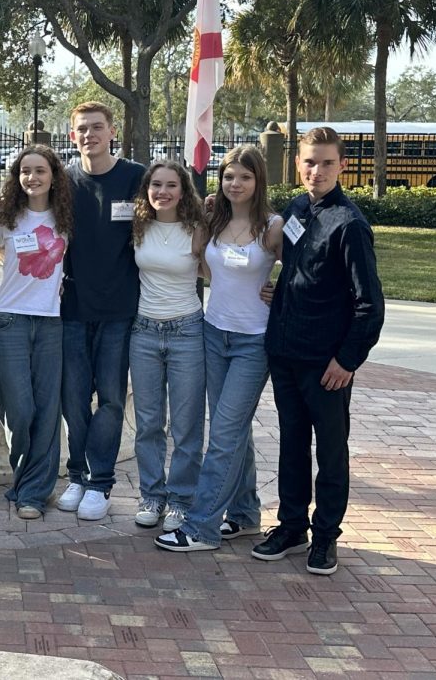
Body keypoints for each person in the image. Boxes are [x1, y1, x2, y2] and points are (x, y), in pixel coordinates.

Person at [252, 126, 384, 575]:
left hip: (326, 363)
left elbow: (370, 306)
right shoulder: (296, 209)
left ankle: (326, 536)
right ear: (297, 165)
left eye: (327, 162)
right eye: (310, 161)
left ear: (343, 166)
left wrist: (346, 361)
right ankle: (291, 527)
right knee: (292, 444)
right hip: (285, 353)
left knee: (330, 451)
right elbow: (296, 269)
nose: (318, 170)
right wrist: (281, 291)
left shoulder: (349, 225)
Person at [155, 145, 282, 553]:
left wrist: (281, 290)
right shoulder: (214, 220)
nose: (235, 184)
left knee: (224, 435)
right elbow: (204, 267)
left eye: (244, 177)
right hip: (214, 334)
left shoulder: (273, 227)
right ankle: (244, 515)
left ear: (258, 181)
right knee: (235, 432)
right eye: (229, 176)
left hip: (253, 342)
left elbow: (304, 272)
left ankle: (201, 527)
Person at [58, 102, 146, 521]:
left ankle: (101, 482)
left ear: (113, 131)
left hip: (118, 311)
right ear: (72, 135)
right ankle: (76, 475)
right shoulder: (63, 181)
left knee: (110, 399)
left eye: (97, 127)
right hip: (73, 308)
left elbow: (173, 213)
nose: (89, 134)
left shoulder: (135, 178)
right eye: (81, 129)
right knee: (73, 399)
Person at [0, 145, 73, 520]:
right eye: (25, 171)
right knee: (19, 410)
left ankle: (34, 492)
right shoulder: (4, 216)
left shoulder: (66, 218)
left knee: (47, 410)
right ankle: (24, 477)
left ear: (53, 175)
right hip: (9, 319)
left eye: (40, 170)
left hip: (52, 321)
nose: (32, 178)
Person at [130, 160, 208, 534]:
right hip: (143, 332)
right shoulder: (138, 227)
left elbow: (221, 271)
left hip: (188, 332)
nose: (162, 192)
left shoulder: (197, 229)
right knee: (148, 423)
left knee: (186, 425)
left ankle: (180, 500)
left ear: (183, 190)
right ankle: (151, 495)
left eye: (171, 185)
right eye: (155, 184)